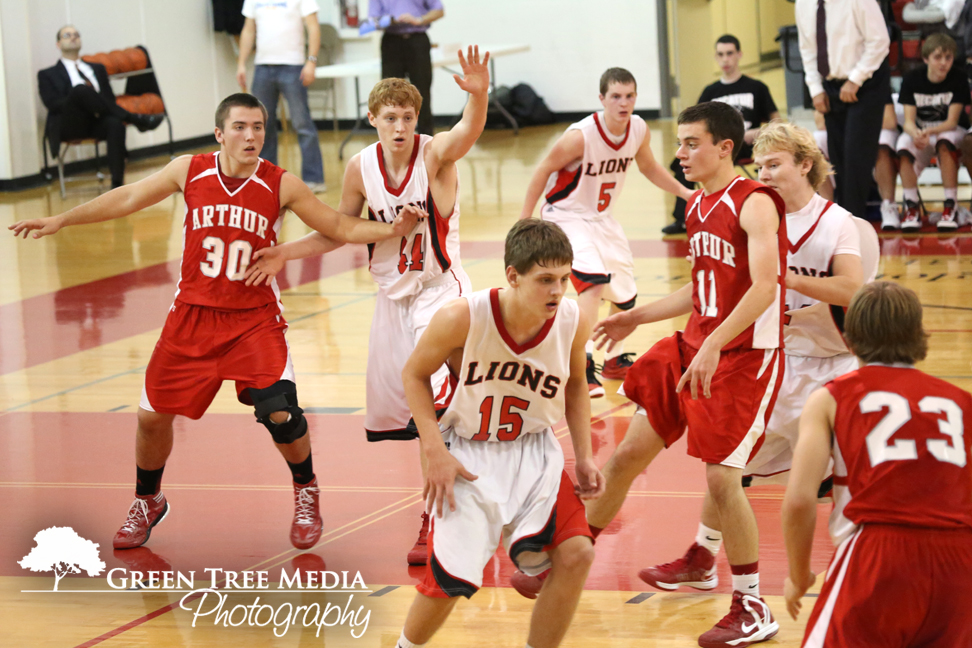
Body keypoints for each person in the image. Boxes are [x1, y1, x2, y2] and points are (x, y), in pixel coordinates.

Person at [9, 93, 417, 551]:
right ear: (220, 134)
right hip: (192, 316)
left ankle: (306, 490)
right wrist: (62, 219)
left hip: (254, 320)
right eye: (241, 127)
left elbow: (339, 228)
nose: (251, 136)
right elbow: (128, 197)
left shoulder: (281, 184)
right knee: (151, 419)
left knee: (279, 411)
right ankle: (149, 499)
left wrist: (392, 230)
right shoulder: (189, 170)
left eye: (259, 127)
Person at [514, 102, 788, 648]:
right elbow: (704, 286)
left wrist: (711, 341)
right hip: (694, 346)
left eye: (691, 144)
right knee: (624, 458)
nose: (680, 154)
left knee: (721, 477)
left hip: (744, 358)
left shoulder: (755, 203)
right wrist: (639, 314)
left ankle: (753, 604)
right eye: (681, 143)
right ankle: (567, 559)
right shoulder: (698, 206)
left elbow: (764, 286)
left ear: (724, 148)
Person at [242, 47, 490, 565]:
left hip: (440, 293)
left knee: (439, 410)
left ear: (416, 120)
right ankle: (468, 499)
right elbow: (338, 230)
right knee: (415, 415)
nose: (400, 126)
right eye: (390, 117)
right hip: (392, 299)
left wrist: (479, 95)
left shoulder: (433, 154)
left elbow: (466, 133)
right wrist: (285, 251)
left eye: (407, 117)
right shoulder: (360, 167)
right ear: (373, 119)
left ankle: (436, 519)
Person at [637, 122, 869, 599]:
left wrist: (786, 282)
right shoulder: (757, 211)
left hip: (835, 367)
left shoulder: (837, 222)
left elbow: (852, 290)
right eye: (759, 166)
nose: (764, 175)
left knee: (845, 480)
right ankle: (702, 556)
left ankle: (858, 566)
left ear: (805, 165)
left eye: (775, 165)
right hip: (783, 363)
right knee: (730, 466)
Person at [395, 218, 604, 648]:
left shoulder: (571, 319)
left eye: (564, 278)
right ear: (513, 276)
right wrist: (433, 450)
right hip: (470, 452)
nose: (558, 290)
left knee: (578, 553)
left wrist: (583, 455)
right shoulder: (462, 318)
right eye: (545, 280)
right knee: (446, 582)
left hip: (533, 452)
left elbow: (578, 384)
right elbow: (413, 375)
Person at [782, 281, 972, 647]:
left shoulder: (831, 397)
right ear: (919, 334)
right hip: (961, 560)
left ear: (849, 338)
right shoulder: (962, 402)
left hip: (880, 552)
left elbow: (801, 500)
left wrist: (798, 574)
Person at [519, 67, 694, 398]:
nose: (623, 103)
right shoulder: (581, 136)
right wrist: (524, 220)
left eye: (629, 96)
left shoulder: (639, 129)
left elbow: (650, 168)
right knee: (593, 282)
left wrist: (686, 194)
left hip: (603, 219)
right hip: (566, 215)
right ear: (602, 99)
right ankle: (580, 363)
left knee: (625, 295)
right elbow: (543, 169)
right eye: (615, 96)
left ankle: (614, 360)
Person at [664, 34, 780, 234]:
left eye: (729, 54)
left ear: (739, 55)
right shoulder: (711, 91)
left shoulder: (757, 88)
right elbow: (694, 123)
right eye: (720, 54)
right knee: (682, 160)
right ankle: (682, 217)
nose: (725, 59)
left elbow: (777, 122)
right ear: (716, 57)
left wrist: (755, 132)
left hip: (746, 144)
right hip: (715, 143)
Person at [795, 0, 891, 220]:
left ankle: (851, 222)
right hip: (831, 83)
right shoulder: (804, 3)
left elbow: (880, 41)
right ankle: (844, 221)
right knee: (838, 157)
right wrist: (815, 89)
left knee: (856, 156)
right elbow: (807, 48)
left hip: (867, 82)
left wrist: (856, 79)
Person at [37, 25, 164, 189]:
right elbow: (52, 104)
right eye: (67, 35)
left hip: (97, 120)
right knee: (80, 90)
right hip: (69, 123)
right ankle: (133, 118)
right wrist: (80, 99)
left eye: (76, 34)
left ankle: (117, 185)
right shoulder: (47, 74)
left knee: (115, 124)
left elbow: (108, 99)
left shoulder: (97, 69)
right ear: (58, 44)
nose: (73, 37)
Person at [236, 0, 326, 192]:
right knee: (261, 125)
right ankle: (265, 176)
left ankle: (314, 178)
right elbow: (248, 30)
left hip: (293, 66)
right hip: (262, 67)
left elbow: (313, 27)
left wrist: (311, 61)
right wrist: (242, 62)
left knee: (302, 123)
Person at [896, 33, 969, 232]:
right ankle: (911, 206)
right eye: (938, 57)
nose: (944, 63)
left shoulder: (958, 77)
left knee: (944, 143)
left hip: (950, 130)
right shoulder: (912, 79)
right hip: (923, 132)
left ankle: (950, 205)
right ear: (926, 58)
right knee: (903, 147)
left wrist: (927, 131)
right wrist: (916, 133)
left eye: (948, 58)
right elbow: (909, 121)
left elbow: (952, 122)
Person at [369, 0, 444, 136]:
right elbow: (373, 19)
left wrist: (419, 19)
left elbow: (439, 10)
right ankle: (391, 138)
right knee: (389, 93)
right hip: (391, 42)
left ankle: (426, 140)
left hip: (417, 40)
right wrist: (390, 20)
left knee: (422, 92)